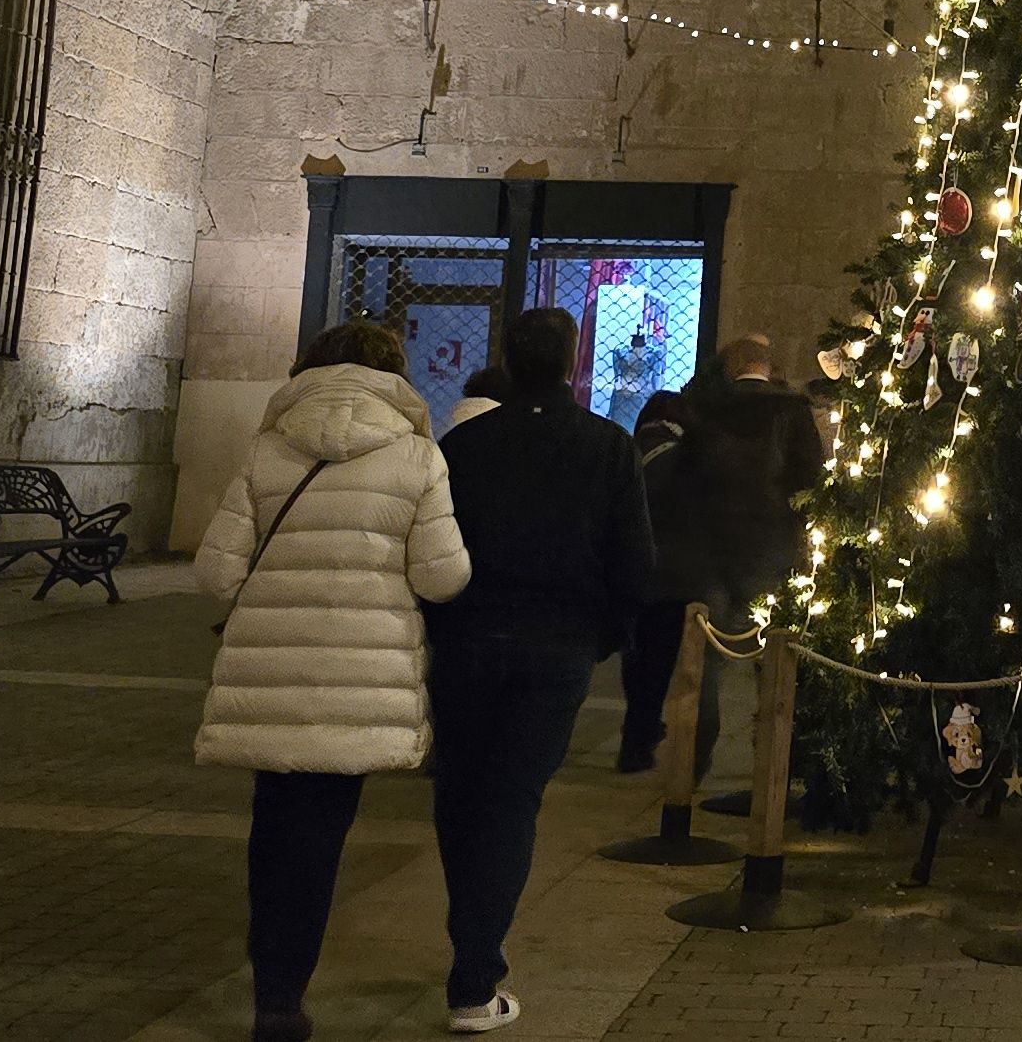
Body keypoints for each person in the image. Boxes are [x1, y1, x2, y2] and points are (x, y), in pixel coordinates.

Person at [195, 319, 470, 1042]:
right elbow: (442, 579)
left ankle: (272, 985)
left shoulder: (266, 450)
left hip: (271, 672)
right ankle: (285, 996)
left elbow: (216, 572)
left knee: (274, 827)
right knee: (320, 835)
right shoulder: (417, 458)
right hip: (361, 677)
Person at [424, 308, 653, 1032]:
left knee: (463, 791)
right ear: (571, 362)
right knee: (511, 798)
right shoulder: (606, 446)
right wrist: (603, 637)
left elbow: (431, 545)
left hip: (467, 638)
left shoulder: (464, 444)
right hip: (555, 645)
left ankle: (472, 941)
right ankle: (474, 966)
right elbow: (633, 560)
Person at [618, 331, 824, 774]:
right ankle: (775, 770)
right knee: (774, 669)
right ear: (768, 368)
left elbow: (684, 480)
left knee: (704, 667)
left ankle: (691, 768)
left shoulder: (701, 410)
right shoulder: (791, 412)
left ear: (729, 368)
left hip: (708, 556)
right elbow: (810, 483)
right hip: (771, 555)